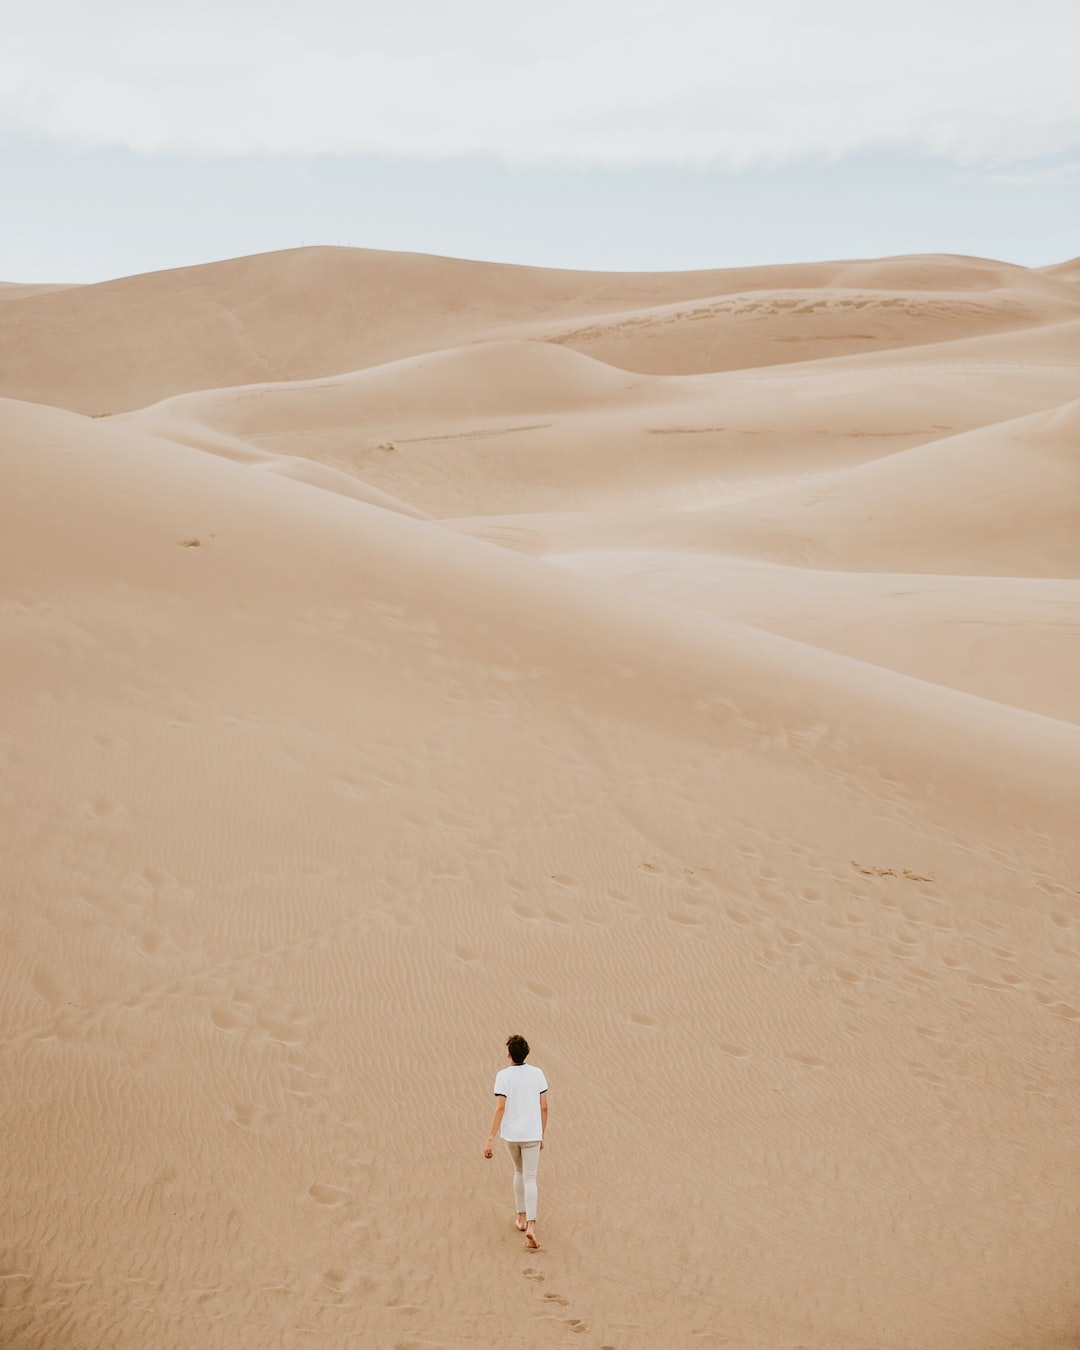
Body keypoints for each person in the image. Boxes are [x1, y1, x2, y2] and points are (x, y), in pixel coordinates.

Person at [484, 1033, 548, 1249]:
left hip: (512, 1134)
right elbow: (544, 1106)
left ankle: (521, 1218)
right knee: (530, 1177)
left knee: (518, 1172)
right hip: (532, 1133)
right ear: (526, 1053)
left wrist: (490, 1138)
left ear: (509, 1054)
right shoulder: (538, 1073)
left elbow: (500, 1107)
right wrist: (542, 1133)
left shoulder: (503, 1075)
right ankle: (531, 1225)